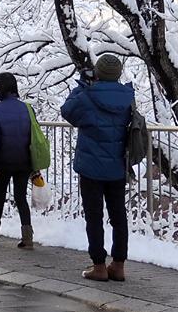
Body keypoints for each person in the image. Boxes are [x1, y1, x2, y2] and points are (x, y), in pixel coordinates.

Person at [61, 54, 135, 282]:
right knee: (118, 215)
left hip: (91, 166)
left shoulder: (87, 95)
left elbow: (67, 112)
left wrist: (82, 86)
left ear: (98, 72)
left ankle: (99, 266)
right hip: (116, 166)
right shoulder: (127, 96)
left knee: (94, 216)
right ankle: (119, 264)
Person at [0, 72, 34, 250]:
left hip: (4, 162)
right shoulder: (27, 108)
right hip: (24, 160)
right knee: (21, 198)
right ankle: (27, 236)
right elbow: (33, 137)